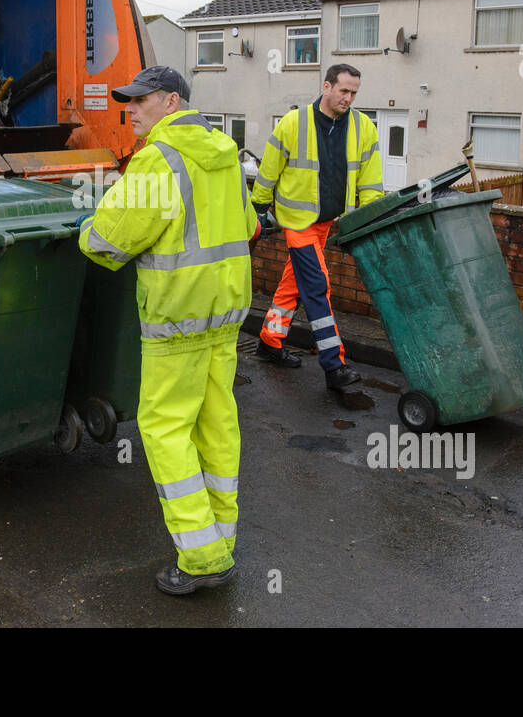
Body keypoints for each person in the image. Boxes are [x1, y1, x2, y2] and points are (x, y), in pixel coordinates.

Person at [77, 65, 256, 596]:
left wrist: (88, 225)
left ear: (171, 101)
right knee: (216, 426)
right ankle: (221, 539)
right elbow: (247, 227)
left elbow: (108, 243)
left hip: (177, 321)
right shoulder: (224, 152)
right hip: (224, 317)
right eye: (126, 101)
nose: (129, 110)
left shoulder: (158, 159)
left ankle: (202, 560)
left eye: (140, 100)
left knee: (165, 430)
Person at [250, 63, 383, 407]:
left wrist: (370, 216)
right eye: (343, 91)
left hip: (326, 222)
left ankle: (270, 340)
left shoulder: (363, 127)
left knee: (292, 285)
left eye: (354, 92)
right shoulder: (294, 123)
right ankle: (333, 364)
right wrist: (259, 208)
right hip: (296, 221)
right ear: (326, 87)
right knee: (316, 285)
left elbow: (370, 180)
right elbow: (269, 170)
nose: (348, 98)